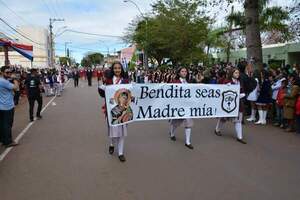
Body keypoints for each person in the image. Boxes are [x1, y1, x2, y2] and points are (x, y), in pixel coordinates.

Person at [98, 61, 129, 162]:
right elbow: (103, 95)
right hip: (111, 110)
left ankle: (120, 153)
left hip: (123, 110)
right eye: (115, 68)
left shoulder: (126, 81)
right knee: (113, 131)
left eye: (119, 68)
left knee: (122, 133)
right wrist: (101, 88)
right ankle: (111, 144)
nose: (117, 70)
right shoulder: (108, 80)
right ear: (112, 69)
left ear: (122, 69)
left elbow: (129, 94)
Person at [214, 68, 247, 144]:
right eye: (235, 73)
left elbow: (242, 91)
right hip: (227, 103)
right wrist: (226, 86)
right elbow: (222, 91)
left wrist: (242, 94)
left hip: (238, 103)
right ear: (232, 73)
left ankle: (240, 137)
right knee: (223, 118)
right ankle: (217, 129)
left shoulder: (240, 82)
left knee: (238, 120)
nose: (237, 74)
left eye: (238, 73)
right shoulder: (227, 81)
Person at [169, 67, 194, 149]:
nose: (184, 72)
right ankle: (172, 133)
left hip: (187, 106)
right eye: (182, 71)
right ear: (179, 73)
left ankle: (188, 142)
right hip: (178, 106)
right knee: (175, 122)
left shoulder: (189, 82)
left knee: (188, 122)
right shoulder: (175, 82)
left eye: (185, 71)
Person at [0, 66, 19, 147]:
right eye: (7, 72)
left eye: (10, 73)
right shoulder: (3, 81)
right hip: (7, 106)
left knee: (2, 124)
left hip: (2, 106)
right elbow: (16, 87)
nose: (9, 74)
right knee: (8, 124)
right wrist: (15, 79)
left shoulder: (3, 81)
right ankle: (8, 141)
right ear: (2, 72)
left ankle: (3, 139)